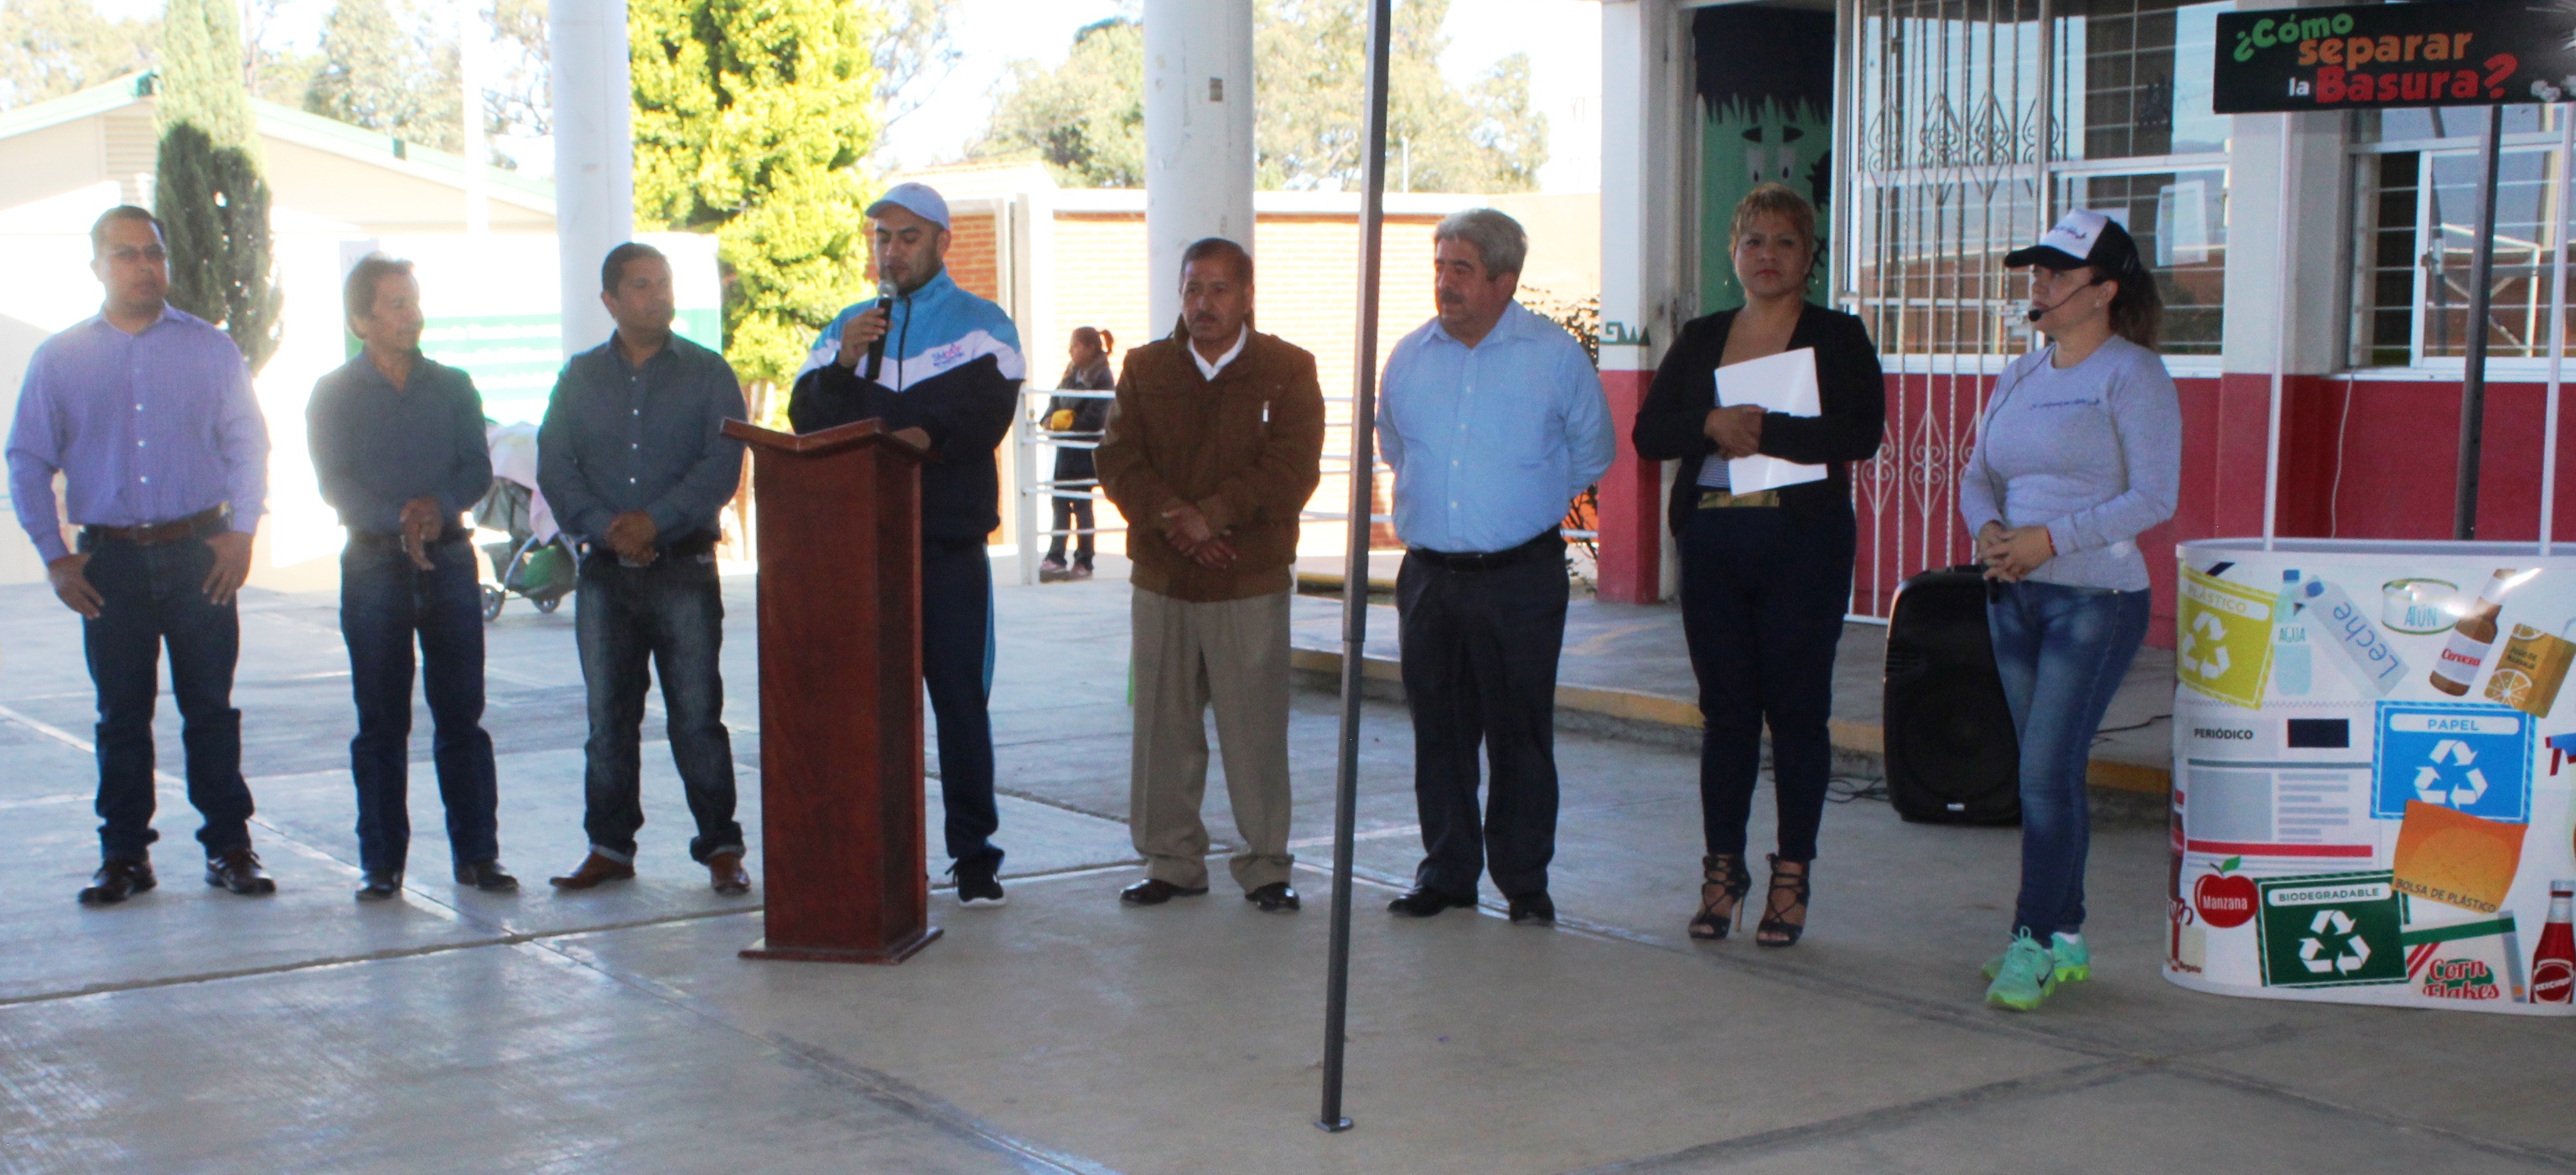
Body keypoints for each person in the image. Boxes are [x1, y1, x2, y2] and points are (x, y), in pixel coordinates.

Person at [1630, 183, 1885, 948]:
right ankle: (1721, 872)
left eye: (1783, 242)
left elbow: (1861, 432)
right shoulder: (1704, 335)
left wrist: (1764, 429)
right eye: (1752, 242)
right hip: (1714, 543)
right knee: (1727, 715)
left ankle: (1790, 873)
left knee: (1797, 712)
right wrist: (1707, 423)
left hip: (1800, 546)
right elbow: (1649, 433)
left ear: (1808, 257)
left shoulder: (1837, 336)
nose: (1766, 256)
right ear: (1732, 254)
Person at [6, 205, 277, 904]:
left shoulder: (210, 350)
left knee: (210, 710)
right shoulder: (61, 358)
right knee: (121, 715)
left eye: (152, 252)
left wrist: (242, 531)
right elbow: (27, 458)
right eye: (125, 254)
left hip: (200, 557)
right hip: (111, 566)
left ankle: (230, 848)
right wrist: (55, 554)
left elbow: (248, 443)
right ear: (97, 267)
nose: (143, 266)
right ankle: (125, 856)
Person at [1962, 209, 2179, 1011]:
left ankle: (2029, 941)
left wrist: (2050, 540)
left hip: (2095, 598)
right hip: (2013, 592)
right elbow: (1976, 470)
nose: (2039, 287)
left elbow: (2153, 496)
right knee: (2047, 774)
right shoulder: (2020, 374)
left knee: (2044, 773)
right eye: (2035, 274)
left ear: (2103, 292)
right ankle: (2066, 935)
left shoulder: (2133, 375)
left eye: (2056, 275)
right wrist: (1987, 528)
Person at [789, 182, 1024, 906]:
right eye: (881, 238)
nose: (891, 252)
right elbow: (805, 421)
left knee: (958, 704)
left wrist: (918, 432)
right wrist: (843, 365)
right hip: (861, 556)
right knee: (871, 708)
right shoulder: (846, 329)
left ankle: (974, 853)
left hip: (946, 551)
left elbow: (978, 416)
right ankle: (882, 848)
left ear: (942, 243)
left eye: (907, 237)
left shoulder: (984, 325)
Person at [1376, 208, 1613, 928]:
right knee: (1439, 733)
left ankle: (1522, 880)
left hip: (1519, 579)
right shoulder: (1410, 356)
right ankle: (1447, 873)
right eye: (1440, 267)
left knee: (1519, 736)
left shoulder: (1553, 357)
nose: (1445, 285)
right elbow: (1395, 448)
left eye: (1462, 270)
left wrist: (1517, 507)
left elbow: (1591, 453)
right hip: (1429, 578)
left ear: (1504, 281)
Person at [1094, 238, 1324, 913]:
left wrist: (1215, 517)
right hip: (1163, 579)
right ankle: (1171, 860)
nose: (1204, 303)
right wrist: (1175, 521)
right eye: (1193, 289)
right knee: (1163, 727)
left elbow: (1291, 469)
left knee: (1254, 730)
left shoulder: (1287, 370)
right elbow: (1118, 461)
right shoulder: (1143, 368)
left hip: (1247, 580)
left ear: (1247, 296)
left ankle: (1265, 865)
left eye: (1220, 289)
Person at [538, 242, 753, 896]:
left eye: (663, 283)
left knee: (696, 715)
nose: (657, 295)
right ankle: (609, 846)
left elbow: (721, 467)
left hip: (682, 568)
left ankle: (720, 847)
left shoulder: (709, 372)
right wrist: (608, 528)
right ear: (610, 300)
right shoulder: (578, 377)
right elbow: (556, 466)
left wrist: (652, 522)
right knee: (609, 720)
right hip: (605, 575)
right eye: (640, 285)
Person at [306, 255, 515, 901]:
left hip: (450, 561)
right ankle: (382, 863)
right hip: (373, 563)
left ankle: (477, 856)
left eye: (414, 301)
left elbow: (476, 468)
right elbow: (333, 482)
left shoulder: (453, 386)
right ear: (361, 320)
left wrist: (435, 509)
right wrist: (399, 520)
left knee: (461, 715)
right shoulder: (333, 394)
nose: (411, 315)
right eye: (395, 305)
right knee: (381, 718)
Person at [1042, 327, 1116, 578]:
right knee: (1059, 500)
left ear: (1090, 348)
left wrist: (1068, 424)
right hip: (1066, 448)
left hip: (1085, 449)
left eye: (1075, 346)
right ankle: (1056, 557)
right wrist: (1049, 418)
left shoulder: (1102, 377)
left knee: (1082, 503)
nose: (1070, 351)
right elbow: (1056, 398)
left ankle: (1085, 561)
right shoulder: (1071, 372)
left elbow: (1096, 415)